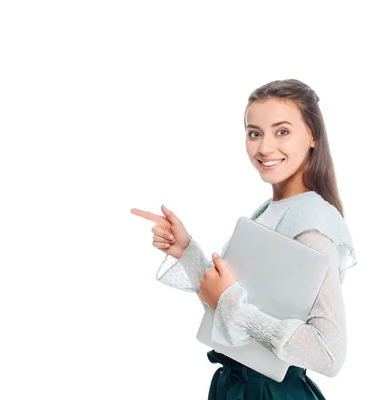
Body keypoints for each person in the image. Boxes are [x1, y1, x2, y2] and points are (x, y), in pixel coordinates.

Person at [131, 79, 357, 399]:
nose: (264, 147)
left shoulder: (313, 226)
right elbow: (234, 300)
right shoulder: (271, 210)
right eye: (255, 133)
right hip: (238, 387)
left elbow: (329, 355)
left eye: (282, 131)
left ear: (312, 137)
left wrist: (235, 309)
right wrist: (186, 250)